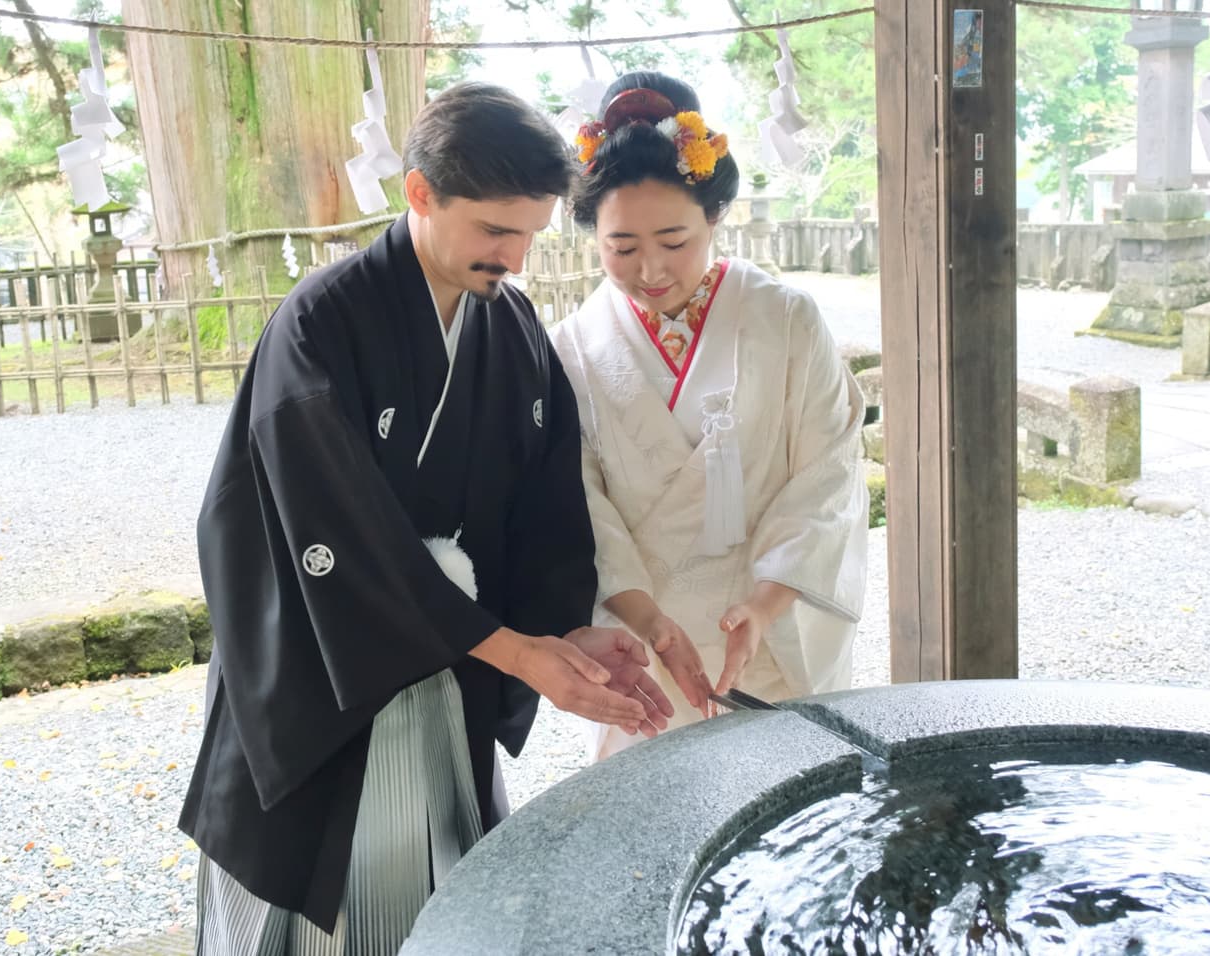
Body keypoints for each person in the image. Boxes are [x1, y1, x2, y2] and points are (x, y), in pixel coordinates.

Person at [180, 82, 673, 953]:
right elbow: (335, 534)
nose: (516, 258)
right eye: (494, 231)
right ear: (419, 193)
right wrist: (517, 651)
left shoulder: (511, 328)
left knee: (442, 902)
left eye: (529, 232)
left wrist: (563, 631)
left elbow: (545, 511)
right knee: (319, 915)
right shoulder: (322, 325)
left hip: (452, 676)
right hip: (324, 686)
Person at [550, 72, 869, 761]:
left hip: (770, 629)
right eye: (622, 248)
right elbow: (579, 504)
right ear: (592, 236)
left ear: (715, 217)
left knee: (791, 811)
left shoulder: (786, 319)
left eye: (675, 240)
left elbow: (829, 473)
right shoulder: (571, 349)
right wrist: (649, 624)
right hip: (647, 637)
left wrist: (765, 605)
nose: (652, 270)